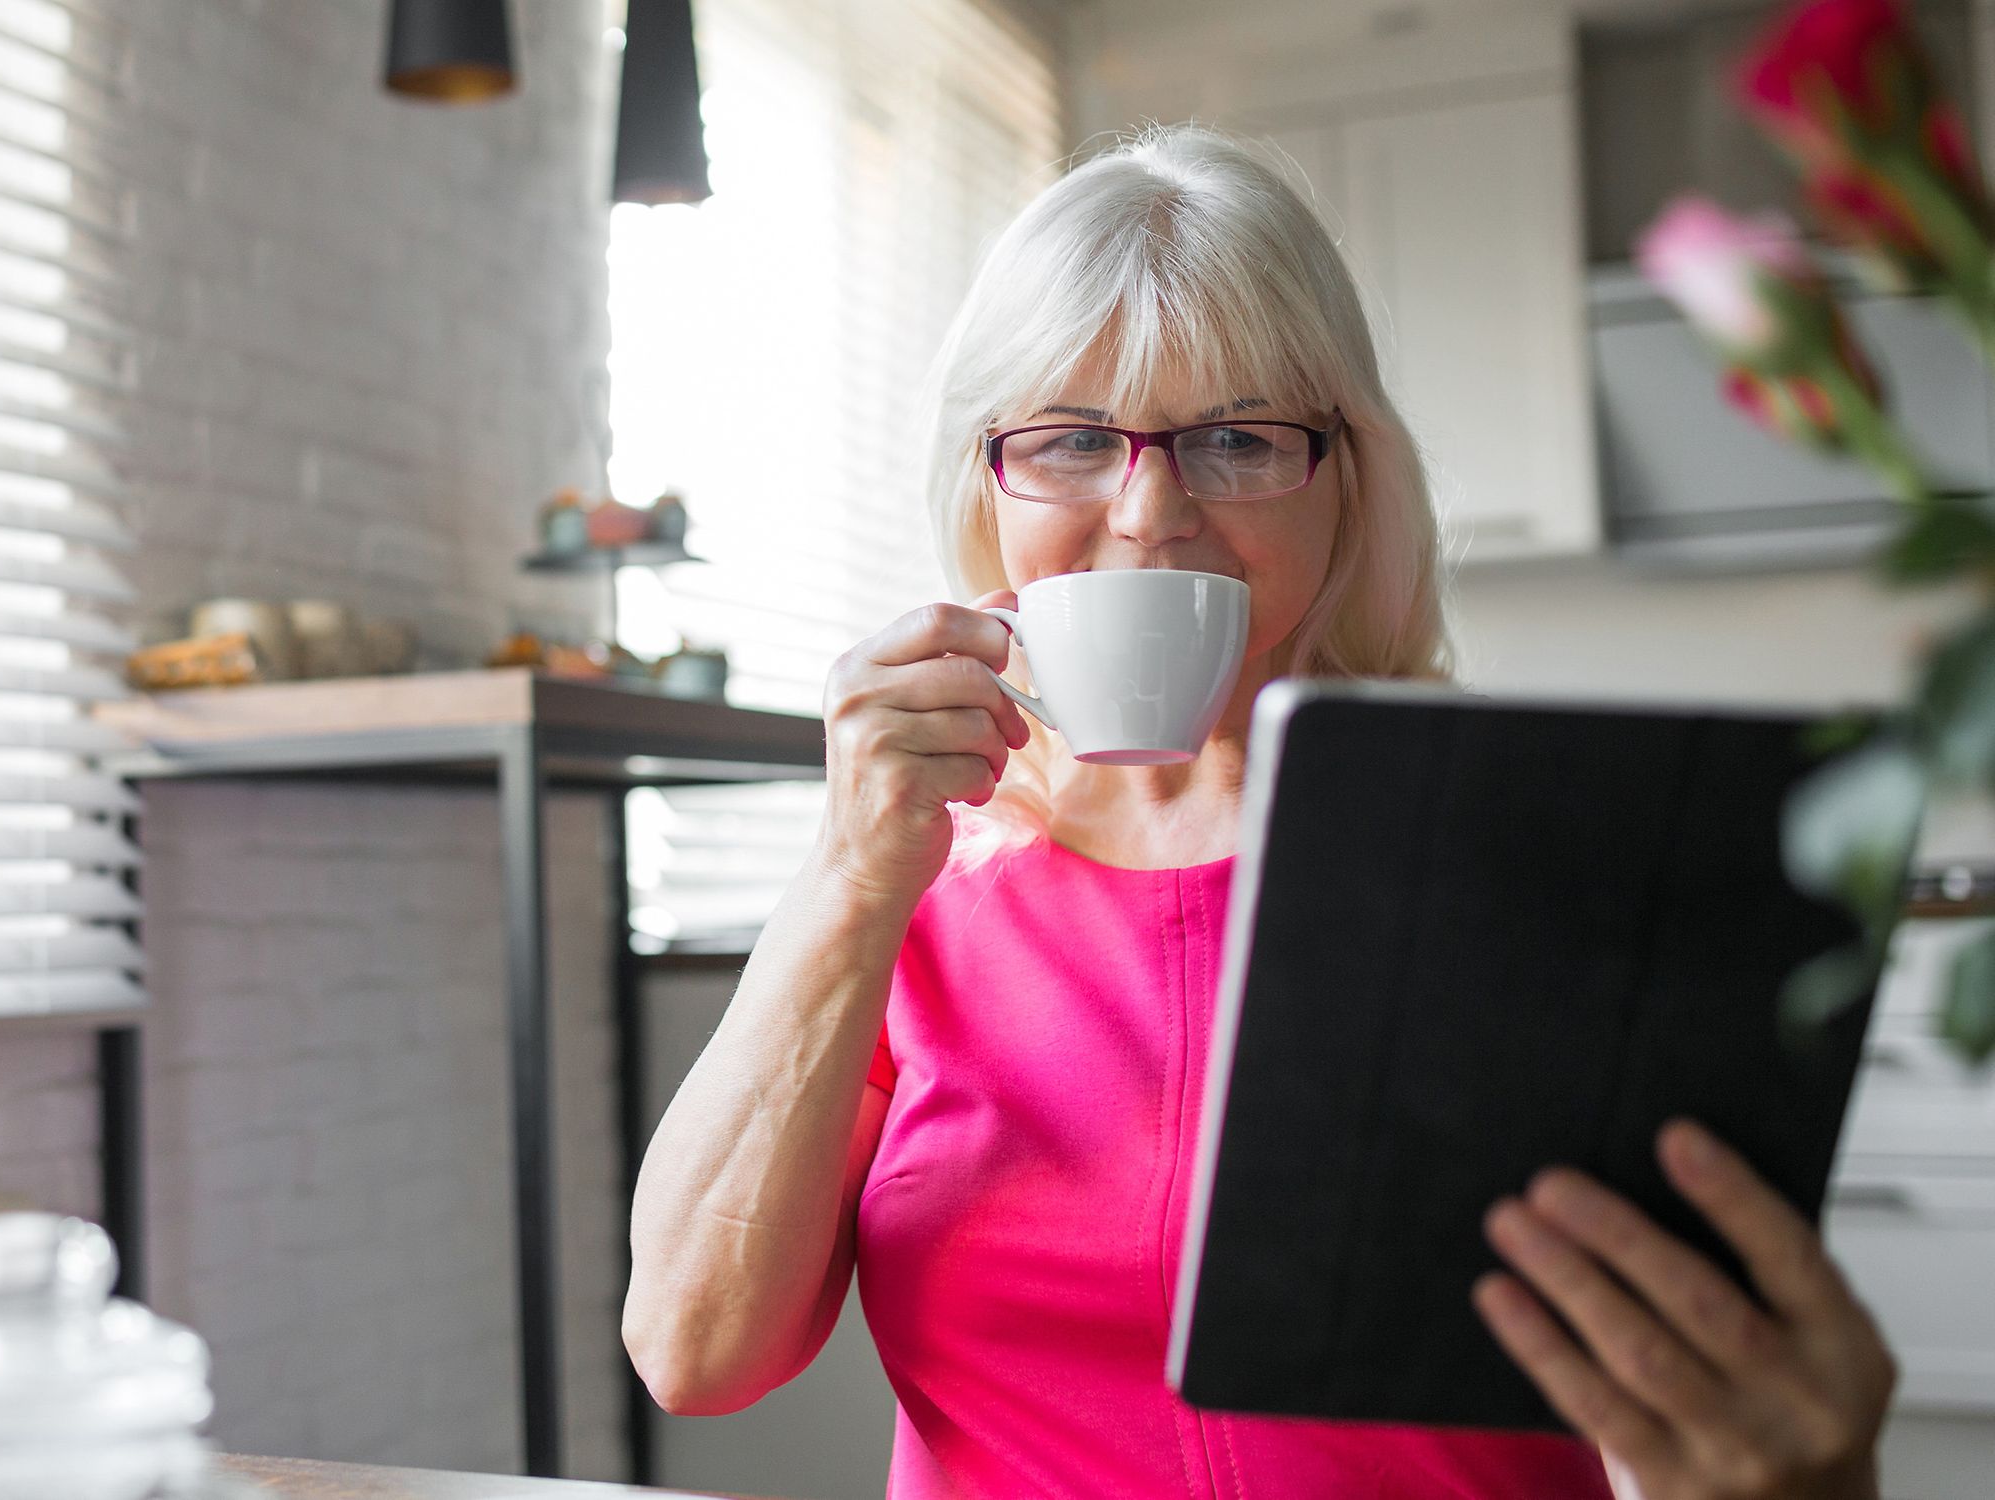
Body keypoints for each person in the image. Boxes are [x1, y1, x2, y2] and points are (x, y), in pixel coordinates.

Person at [621, 124, 1901, 1500]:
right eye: (1068, 441)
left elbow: (1697, 1404)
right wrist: (849, 877)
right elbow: (698, 1354)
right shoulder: (905, 881)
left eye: (1236, 437)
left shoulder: (1511, 852)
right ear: (987, 487)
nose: (1150, 512)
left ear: (1347, 480)